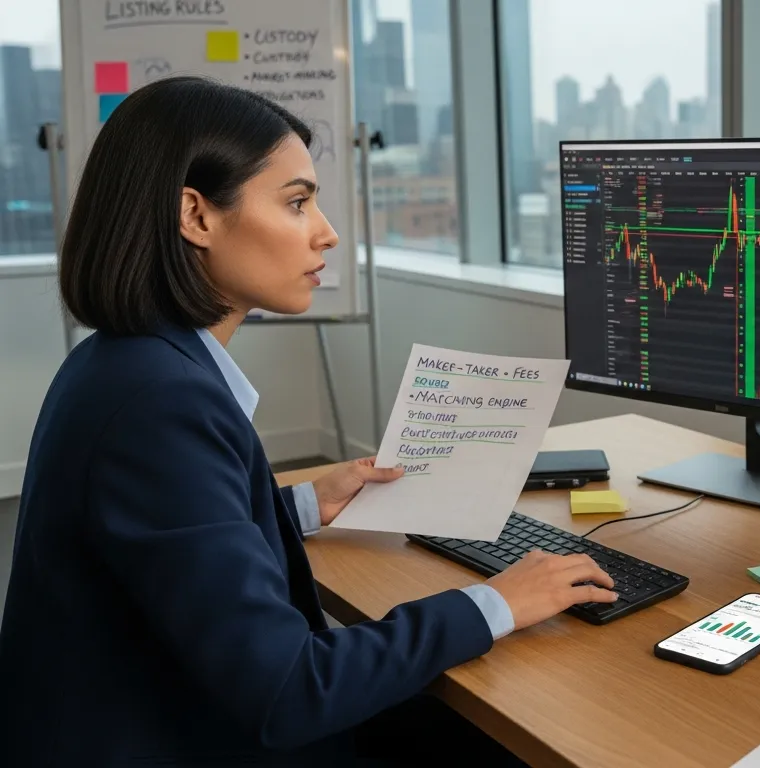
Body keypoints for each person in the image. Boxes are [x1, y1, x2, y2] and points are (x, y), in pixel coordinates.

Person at [0, 77, 618, 766]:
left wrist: (297, 507)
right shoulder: (160, 403)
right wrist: (495, 601)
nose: (326, 233)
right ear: (195, 216)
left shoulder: (121, 362)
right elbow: (290, 688)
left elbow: (166, 544)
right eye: (297, 203)